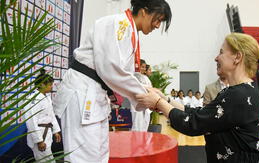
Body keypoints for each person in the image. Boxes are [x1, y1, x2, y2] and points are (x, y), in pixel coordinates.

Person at [53, 0, 172, 162]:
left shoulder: (130, 31)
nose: (158, 25)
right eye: (158, 19)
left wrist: (146, 90)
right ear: (144, 11)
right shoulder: (118, 24)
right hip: (83, 92)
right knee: (84, 157)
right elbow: (111, 68)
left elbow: (121, 73)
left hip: (95, 95)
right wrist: (145, 94)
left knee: (99, 155)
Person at [136, 33, 259, 162]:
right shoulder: (243, 91)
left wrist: (158, 103)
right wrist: (166, 100)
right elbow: (201, 115)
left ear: (237, 57)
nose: (216, 57)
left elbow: (192, 123)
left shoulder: (237, 95)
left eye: (221, 52)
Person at [24, 70, 61, 163]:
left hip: (47, 133)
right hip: (40, 135)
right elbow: (31, 121)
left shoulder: (47, 98)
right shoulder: (33, 100)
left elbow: (51, 115)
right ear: (42, 85)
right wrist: (39, 140)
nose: (52, 86)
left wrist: (56, 131)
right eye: (49, 84)